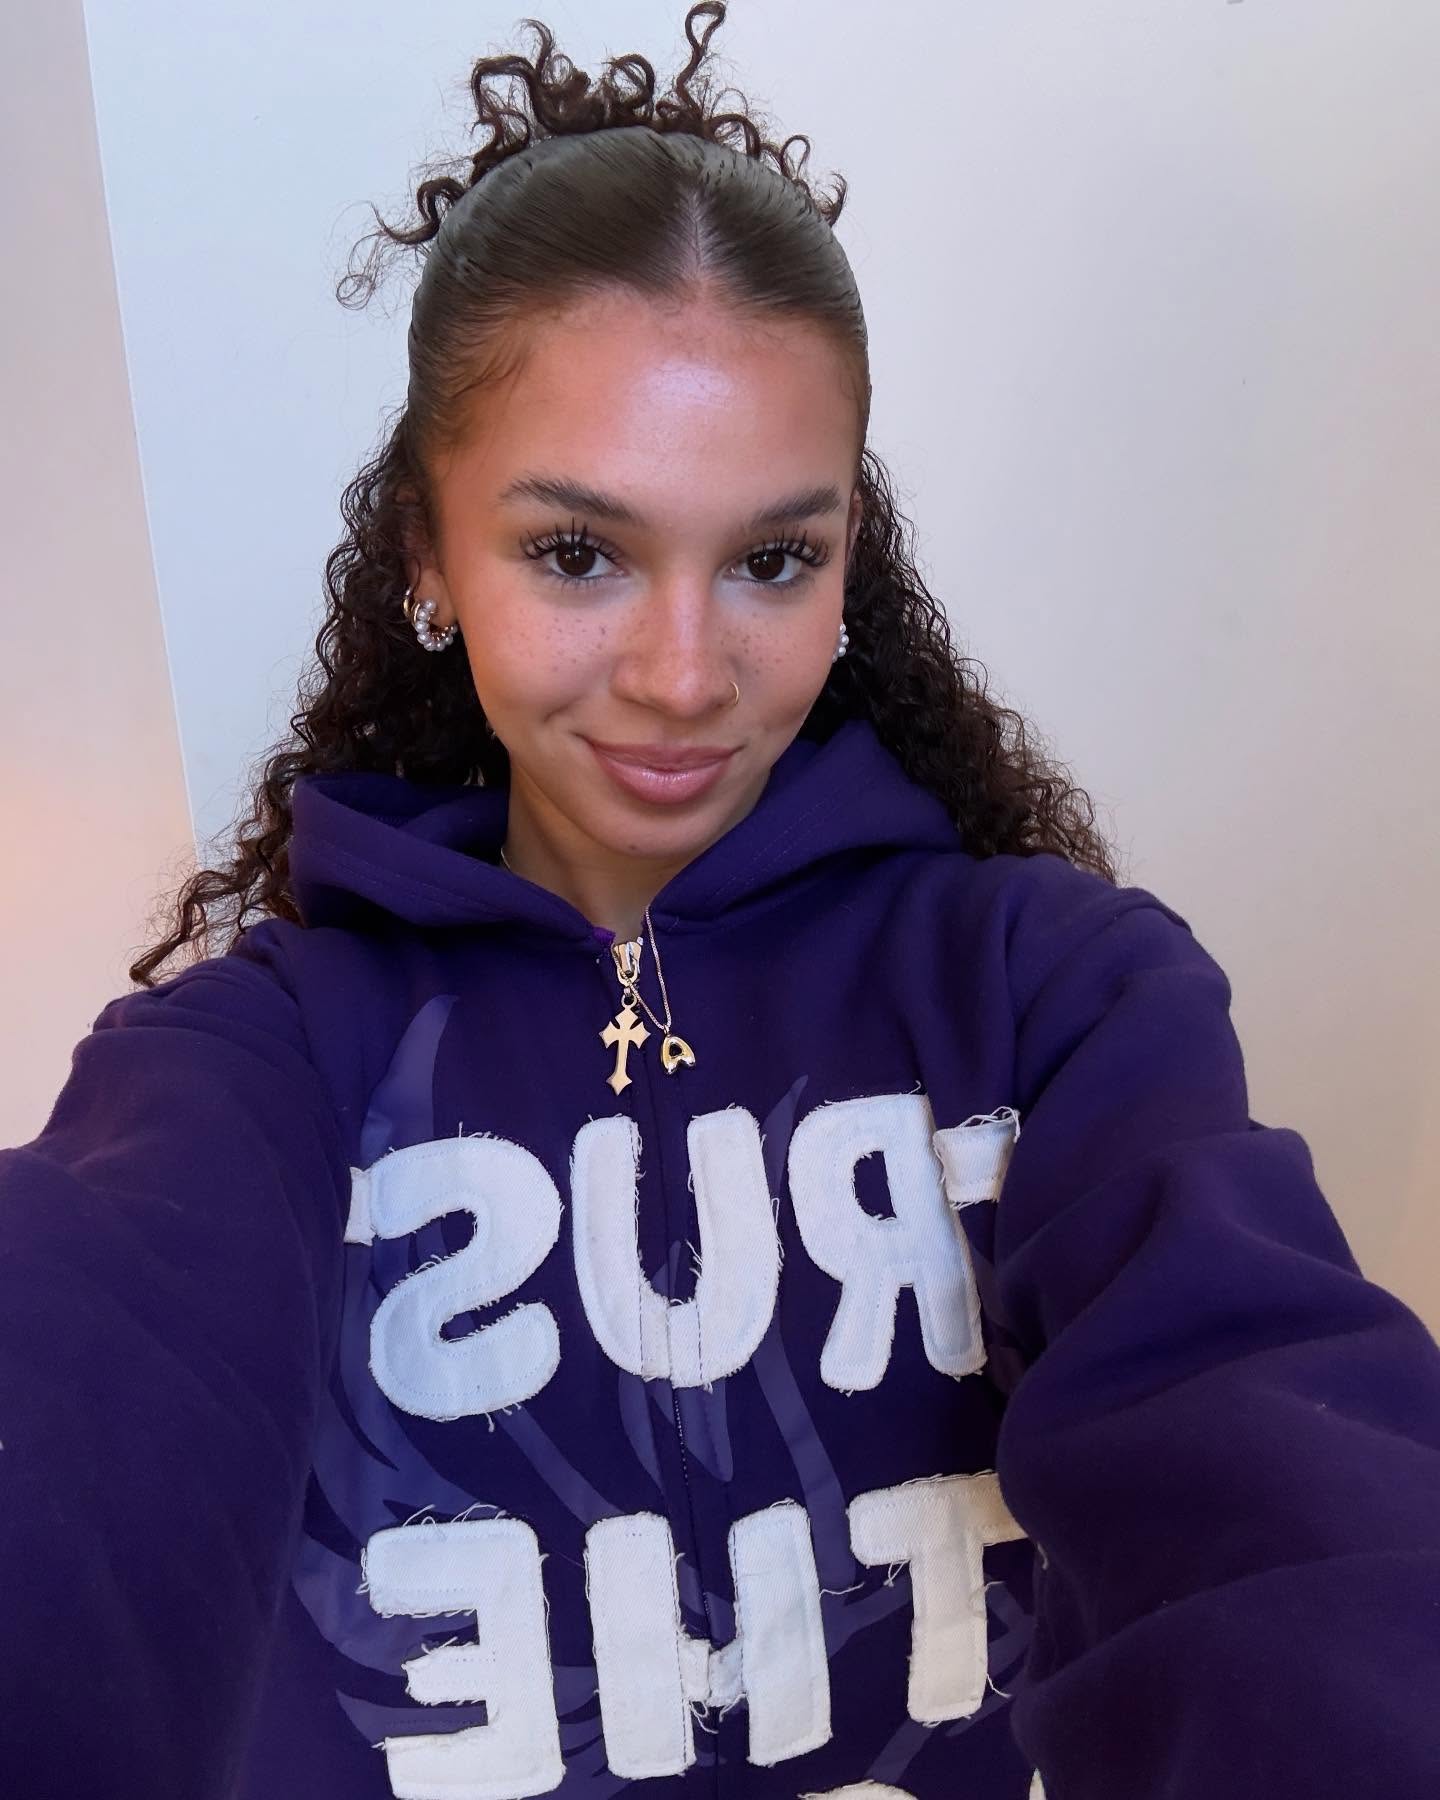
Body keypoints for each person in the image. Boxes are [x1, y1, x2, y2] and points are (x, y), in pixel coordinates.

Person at [3, 5, 1438, 1796]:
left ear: (849, 563)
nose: (684, 678)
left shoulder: (1056, 996)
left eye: (771, 558)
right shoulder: (268, 1053)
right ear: (429, 555)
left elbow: (1273, 1460)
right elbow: (79, 1409)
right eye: (577, 552)